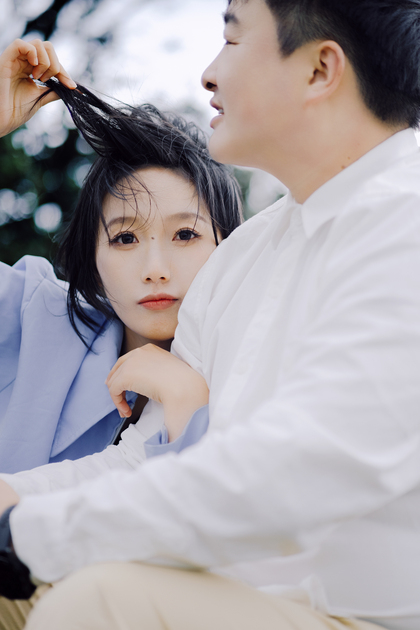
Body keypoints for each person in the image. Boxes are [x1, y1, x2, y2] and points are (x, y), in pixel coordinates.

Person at [1, 0, 420, 629]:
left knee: (102, 602)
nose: (208, 73)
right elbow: (140, 459)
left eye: (233, 39)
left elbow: (297, 474)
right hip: (219, 591)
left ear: (319, 70)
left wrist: (31, 531)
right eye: (124, 238)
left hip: (350, 617)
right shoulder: (245, 254)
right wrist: (16, 500)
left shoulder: (405, 225)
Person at [0, 39, 242, 474]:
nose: (155, 270)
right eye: (125, 238)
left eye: (185, 234)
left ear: (229, 245)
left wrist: (188, 403)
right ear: (92, 257)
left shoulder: (260, 367)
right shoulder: (28, 314)